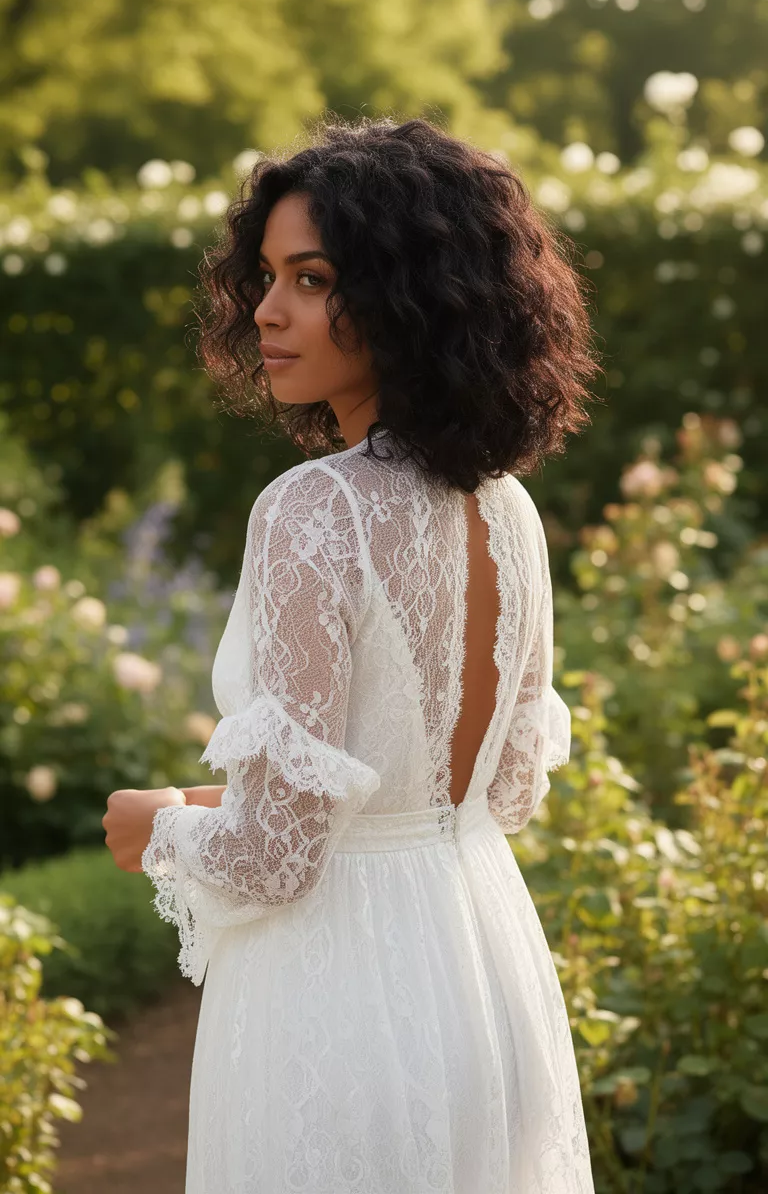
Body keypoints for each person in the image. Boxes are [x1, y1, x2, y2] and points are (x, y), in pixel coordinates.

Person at [103, 114, 603, 1192]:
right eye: (269, 276)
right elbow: (500, 791)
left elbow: (277, 858)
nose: (269, 311)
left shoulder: (314, 511)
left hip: (339, 994)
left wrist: (160, 827)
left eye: (313, 277)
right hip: (482, 962)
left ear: (407, 295)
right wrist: (241, 802)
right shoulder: (508, 510)